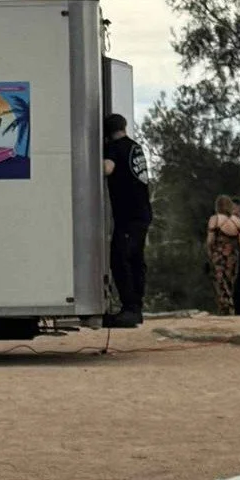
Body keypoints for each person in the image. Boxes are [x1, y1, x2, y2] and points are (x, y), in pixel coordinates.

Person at [102, 114, 151, 327]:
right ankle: (135, 307)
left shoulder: (114, 148)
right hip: (142, 212)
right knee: (136, 260)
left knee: (120, 260)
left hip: (128, 215)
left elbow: (108, 168)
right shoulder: (134, 147)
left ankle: (130, 309)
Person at [206, 195, 240, 316]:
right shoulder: (238, 222)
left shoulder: (214, 219)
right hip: (233, 256)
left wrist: (209, 251)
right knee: (229, 282)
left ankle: (227, 308)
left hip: (219, 255)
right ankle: (228, 307)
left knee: (220, 282)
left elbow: (210, 240)